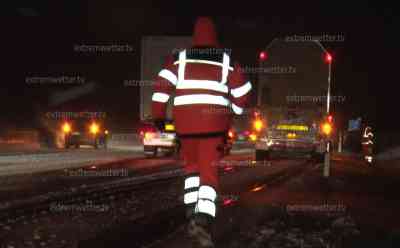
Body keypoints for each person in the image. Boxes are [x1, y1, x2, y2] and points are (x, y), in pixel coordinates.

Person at [151, 17, 252, 247]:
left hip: (186, 129)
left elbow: (160, 89)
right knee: (209, 175)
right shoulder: (226, 61)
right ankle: (203, 222)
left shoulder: (179, 59)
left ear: (195, 36)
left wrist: (158, 116)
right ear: (214, 36)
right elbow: (243, 92)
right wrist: (234, 110)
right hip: (213, 129)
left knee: (192, 170)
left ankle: (191, 214)